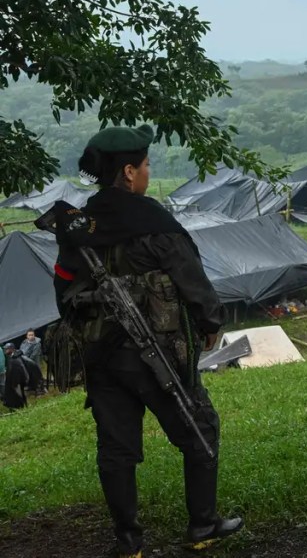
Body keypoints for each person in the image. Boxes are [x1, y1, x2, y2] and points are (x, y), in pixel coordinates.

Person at [48, 124, 241, 557]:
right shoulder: (152, 223)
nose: (149, 173)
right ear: (130, 171)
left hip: (100, 356)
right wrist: (212, 323)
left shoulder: (78, 227)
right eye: (148, 165)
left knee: (116, 449)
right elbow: (191, 280)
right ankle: (203, 525)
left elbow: (62, 285)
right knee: (199, 428)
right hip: (157, 355)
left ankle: (129, 542)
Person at [2, 343, 33, 410]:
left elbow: (20, 371)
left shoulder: (16, 359)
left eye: (6, 349)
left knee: (19, 395)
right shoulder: (12, 358)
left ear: (11, 349)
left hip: (17, 382)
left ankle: (21, 407)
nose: (5, 351)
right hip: (13, 381)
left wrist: (16, 383)